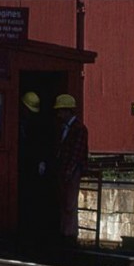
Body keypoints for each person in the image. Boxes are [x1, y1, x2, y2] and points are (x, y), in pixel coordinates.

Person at [17, 91, 53, 252]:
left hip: (31, 168)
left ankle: (31, 233)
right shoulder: (25, 124)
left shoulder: (34, 127)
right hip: (29, 167)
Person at [53, 93, 89, 245]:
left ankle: (69, 234)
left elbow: (76, 153)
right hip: (65, 169)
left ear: (68, 111)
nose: (59, 114)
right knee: (64, 202)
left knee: (69, 203)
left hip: (72, 171)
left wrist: (68, 171)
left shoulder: (78, 129)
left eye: (61, 111)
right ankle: (65, 232)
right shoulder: (65, 128)